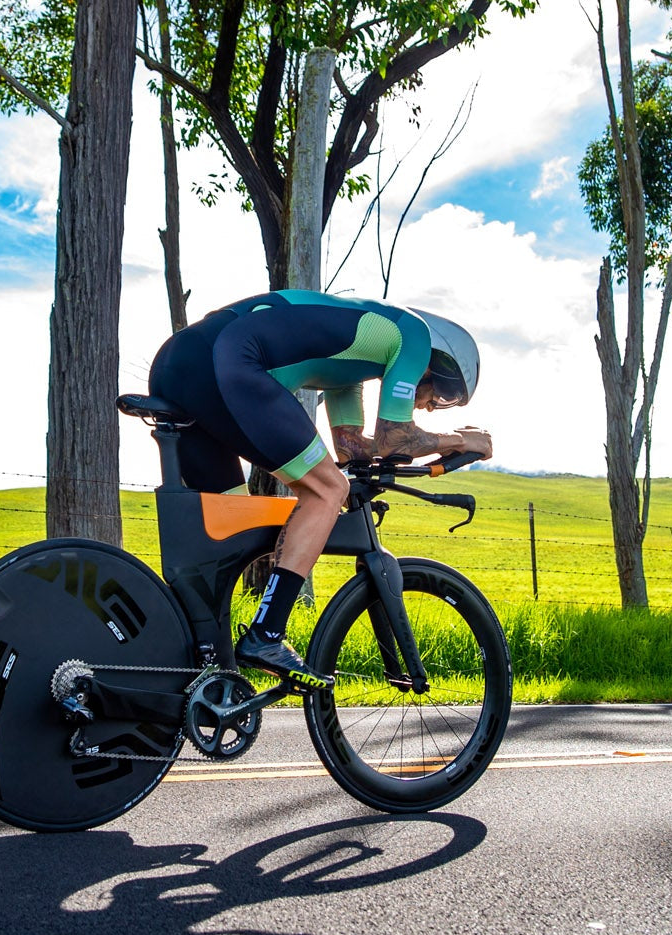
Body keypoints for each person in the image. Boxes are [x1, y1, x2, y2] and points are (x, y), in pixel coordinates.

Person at [148, 290, 492, 687]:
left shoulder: (350, 369)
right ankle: (267, 635)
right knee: (328, 490)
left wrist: (416, 450)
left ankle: (198, 670)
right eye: (445, 394)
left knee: (230, 529)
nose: (432, 405)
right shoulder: (413, 334)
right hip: (228, 360)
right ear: (439, 360)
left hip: (179, 361)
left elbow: (351, 448)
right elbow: (395, 438)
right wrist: (460, 441)